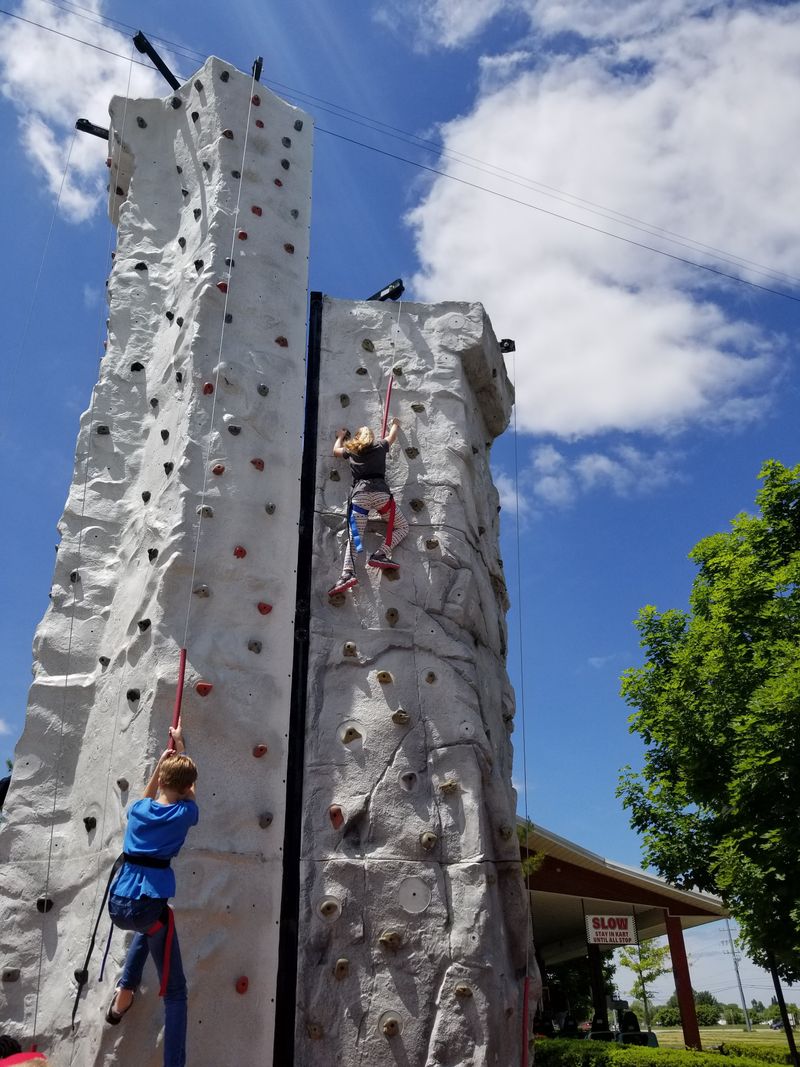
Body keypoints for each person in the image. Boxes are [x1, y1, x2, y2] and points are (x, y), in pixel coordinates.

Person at [105, 722, 198, 1067]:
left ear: (159, 779)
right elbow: (189, 792)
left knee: (156, 925)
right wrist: (182, 748)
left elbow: (147, 797)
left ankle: (123, 998)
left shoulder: (139, 811)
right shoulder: (186, 814)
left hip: (119, 903)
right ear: (187, 787)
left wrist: (161, 763)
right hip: (147, 906)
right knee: (175, 992)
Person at [328, 418, 409, 596]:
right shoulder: (380, 446)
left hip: (360, 496)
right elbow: (392, 437)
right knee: (402, 527)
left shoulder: (351, 450)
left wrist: (341, 437)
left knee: (355, 537)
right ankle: (381, 553)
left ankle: (347, 574)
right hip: (381, 495)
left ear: (356, 438)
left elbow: (335, 451)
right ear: (371, 437)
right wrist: (395, 424)